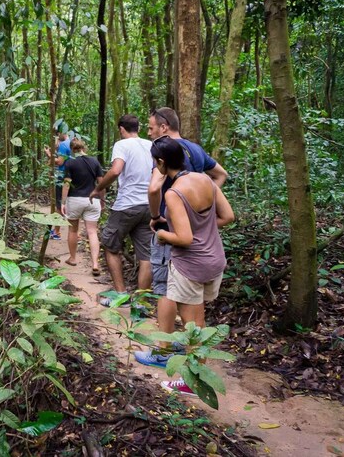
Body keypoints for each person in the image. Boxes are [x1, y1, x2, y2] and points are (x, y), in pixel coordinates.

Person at [140, 136, 235, 396]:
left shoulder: (174, 193)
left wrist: (162, 234)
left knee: (192, 326)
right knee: (199, 320)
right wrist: (201, 229)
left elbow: (183, 238)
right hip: (214, 259)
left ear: (161, 162)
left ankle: (192, 382)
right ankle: (196, 376)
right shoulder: (205, 179)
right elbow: (228, 216)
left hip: (190, 265)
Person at [90, 115, 153, 305]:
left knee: (110, 246)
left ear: (121, 129)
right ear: (139, 128)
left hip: (127, 204)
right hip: (149, 205)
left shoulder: (122, 144)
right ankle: (141, 302)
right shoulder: (151, 145)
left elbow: (116, 170)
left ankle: (121, 295)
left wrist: (99, 188)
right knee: (146, 255)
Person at [61, 138, 104, 273]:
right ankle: (95, 263)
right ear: (83, 148)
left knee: (73, 230)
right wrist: (102, 200)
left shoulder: (70, 163)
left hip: (75, 200)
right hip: (92, 200)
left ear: (72, 150)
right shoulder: (94, 161)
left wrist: (63, 202)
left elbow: (67, 184)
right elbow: (101, 183)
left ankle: (73, 258)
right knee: (92, 232)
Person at [44, 132, 72, 240]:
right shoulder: (70, 143)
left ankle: (57, 232)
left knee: (59, 204)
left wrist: (48, 154)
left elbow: (59, 162)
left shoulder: (64, 144)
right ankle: (74, 233)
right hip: (69, 177)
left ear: (61, 133)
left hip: (62, 176)